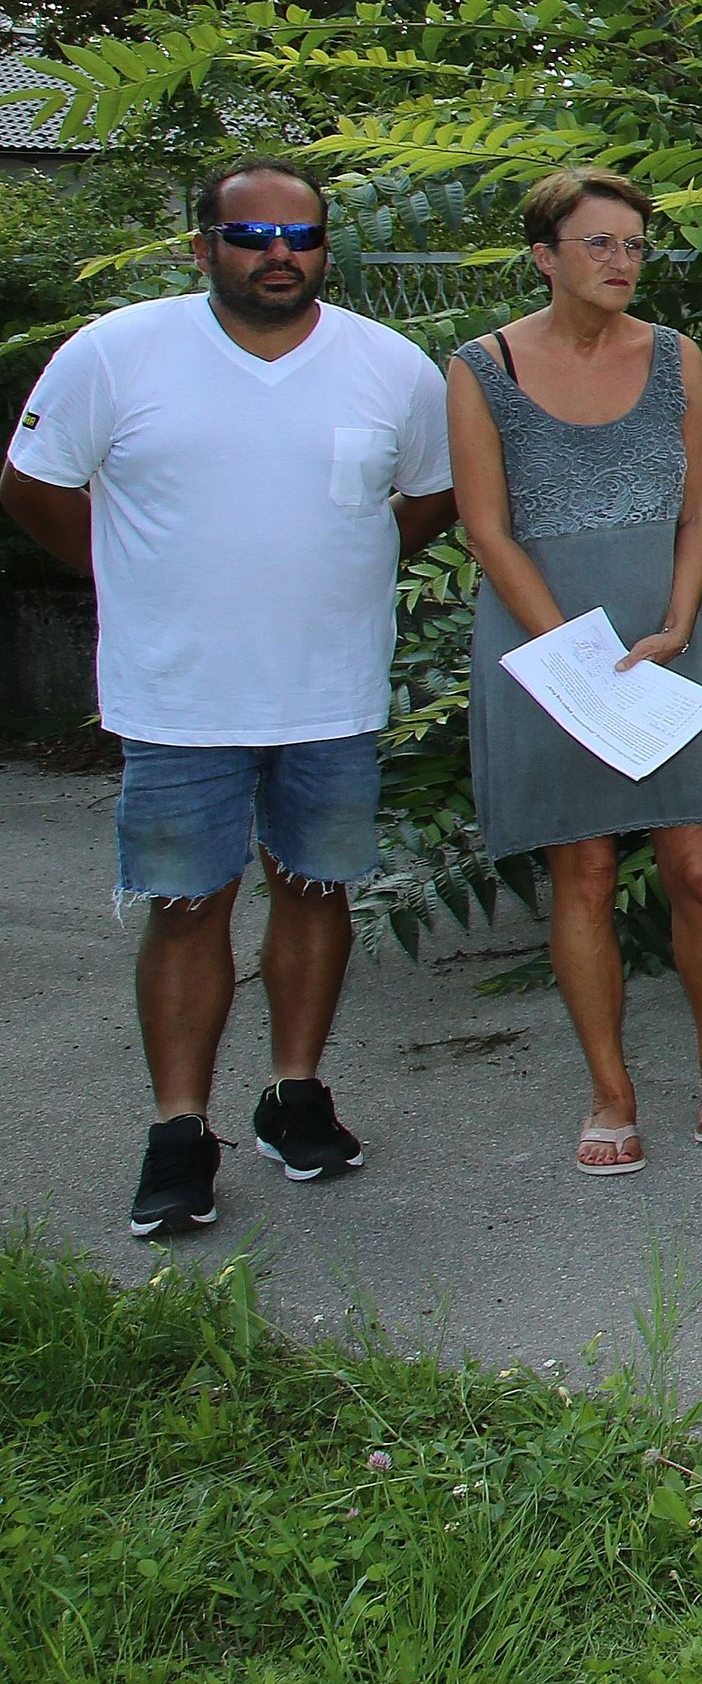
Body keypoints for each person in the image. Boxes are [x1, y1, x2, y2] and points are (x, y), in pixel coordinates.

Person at [4, 156, 454, 1239]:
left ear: (325, 251)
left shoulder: (391, 369)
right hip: (179, 702)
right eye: (251, 236)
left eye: (300, 238)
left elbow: (430, 498)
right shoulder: (116, 354)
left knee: (315, 890)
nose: (278, 256)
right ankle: (179, 1131)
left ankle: (295, 1096)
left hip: (330, 695)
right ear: (200, 245)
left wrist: (337, 575)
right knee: (187, 906)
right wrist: (132, 579)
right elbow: (33, 485)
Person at [446, 167, 702, 1177]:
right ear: (545, 256)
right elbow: (484, 528)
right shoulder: (480, 366)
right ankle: (610, 1092)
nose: (622, 262)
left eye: (633, 244)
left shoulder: (674, 359)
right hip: (547, 652)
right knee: (581, 869)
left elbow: (701, 506)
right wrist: (578, 659)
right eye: (599, 244)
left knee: (699, 869)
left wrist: (673, 623)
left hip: (665, 636)